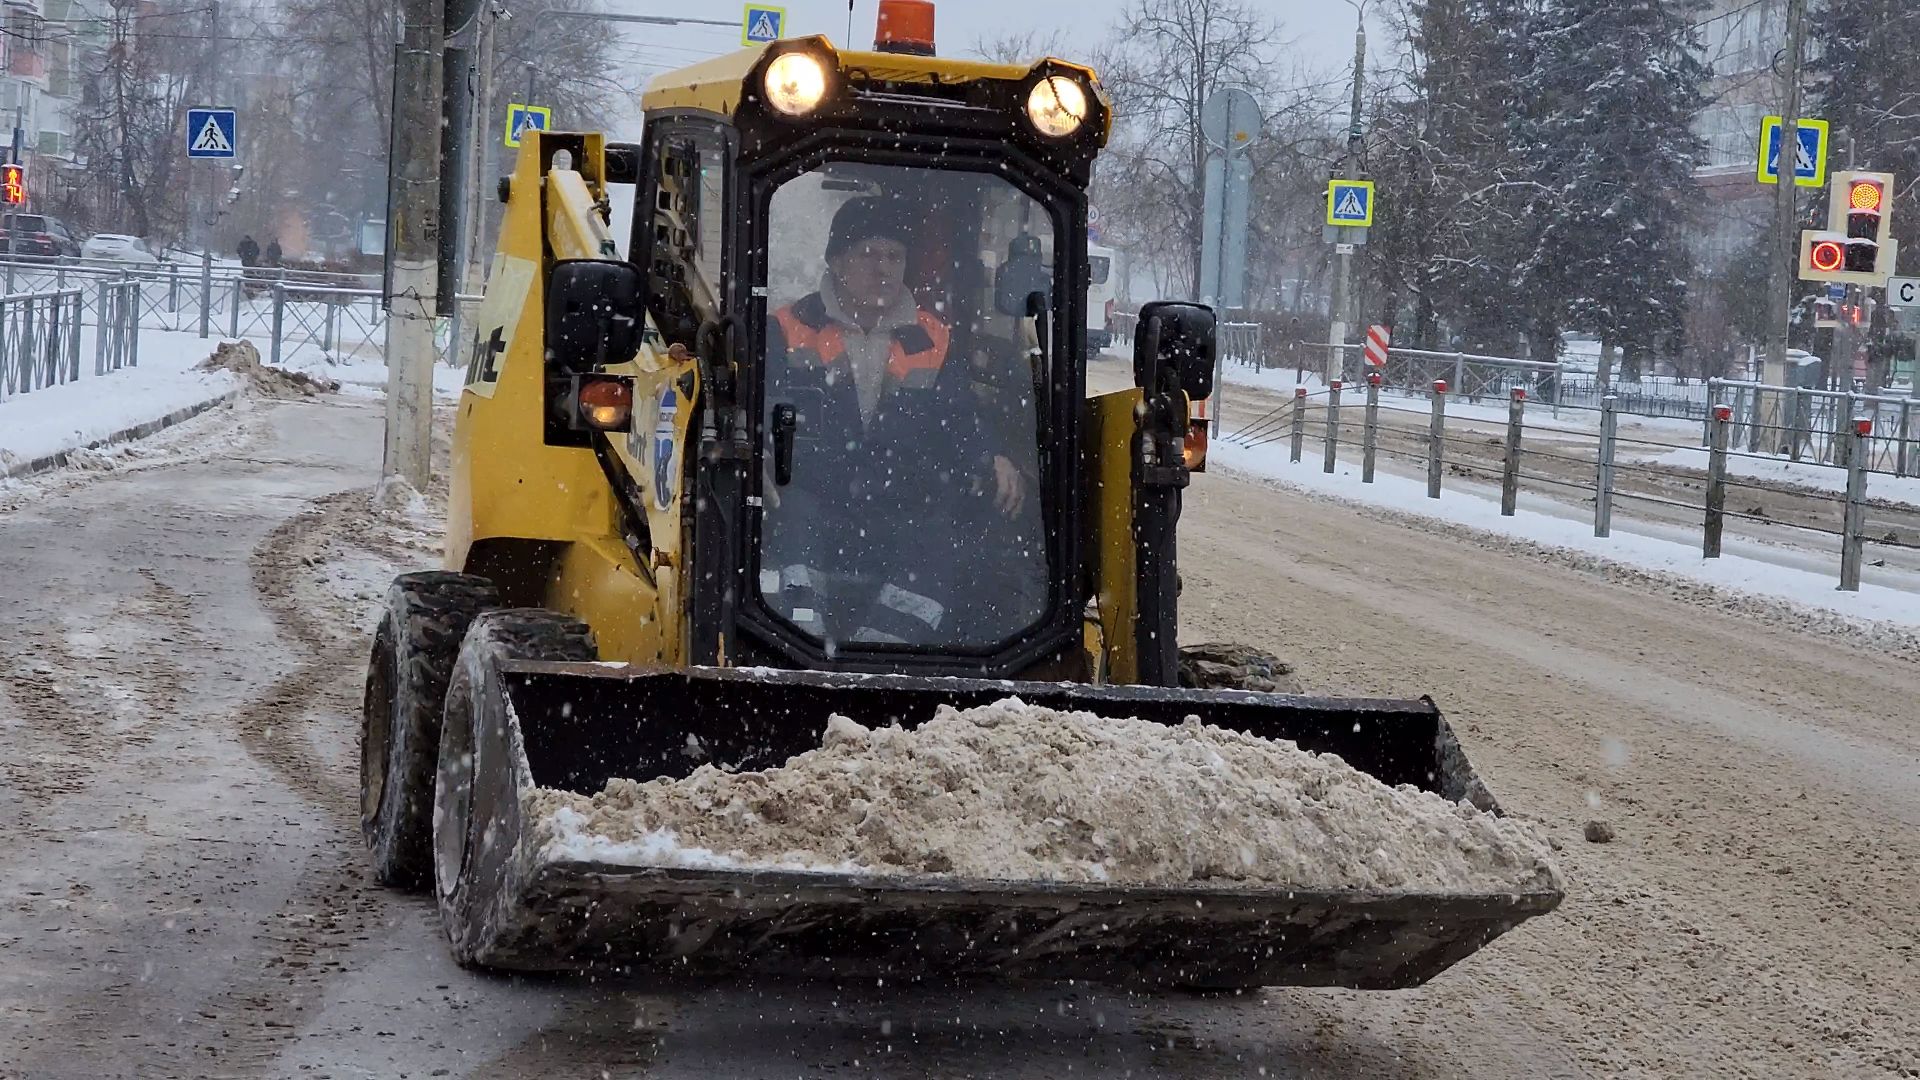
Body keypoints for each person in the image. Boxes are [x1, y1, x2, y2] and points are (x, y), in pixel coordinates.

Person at [761, 195, 1038, 648]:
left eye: (894, 256)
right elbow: (762, 408)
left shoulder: (933, 337)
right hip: (812, 497)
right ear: (837, 260)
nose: (883, 267)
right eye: (869, 253)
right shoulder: (788, 328)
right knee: (789, 528)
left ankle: (883, 656)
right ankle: (800, 647)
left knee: (941, 537)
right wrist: (764, 456)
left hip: (899, 503)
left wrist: (993, 457)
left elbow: (960, 415)